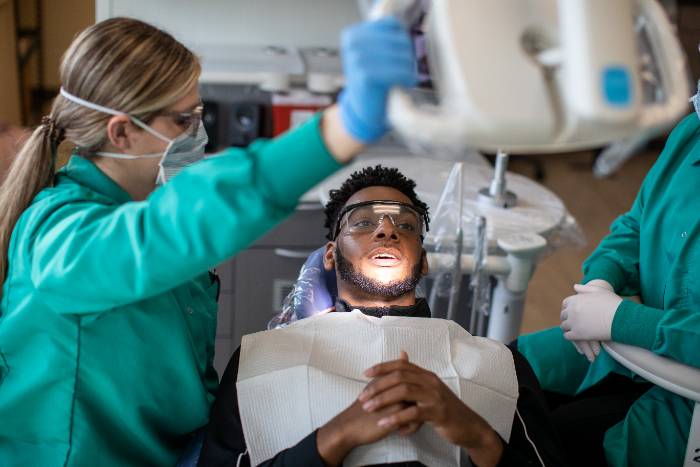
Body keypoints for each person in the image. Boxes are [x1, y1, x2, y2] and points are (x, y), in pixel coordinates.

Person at [0, 15, 418, 466]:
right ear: (121, 131)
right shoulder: (62, 239)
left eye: (198, 114)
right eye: (183, 119)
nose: (197, 133)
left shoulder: (141, 202)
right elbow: (176, 226)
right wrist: (343, 127)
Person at [199, 166, 567, 467]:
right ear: (330, 255)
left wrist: (477, 435)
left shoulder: (499, 364)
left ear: (423, 262)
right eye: (362, 223)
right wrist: (336, 437)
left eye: (406, 226)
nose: (387, 229)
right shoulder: (260, 360)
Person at [517, 110, 700, 466]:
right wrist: (600, 280)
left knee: (540, 443)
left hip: (685, 402)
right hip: (630, 351)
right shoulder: (692, 131)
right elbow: (636, 224)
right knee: (501, 368)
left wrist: (623, 319)